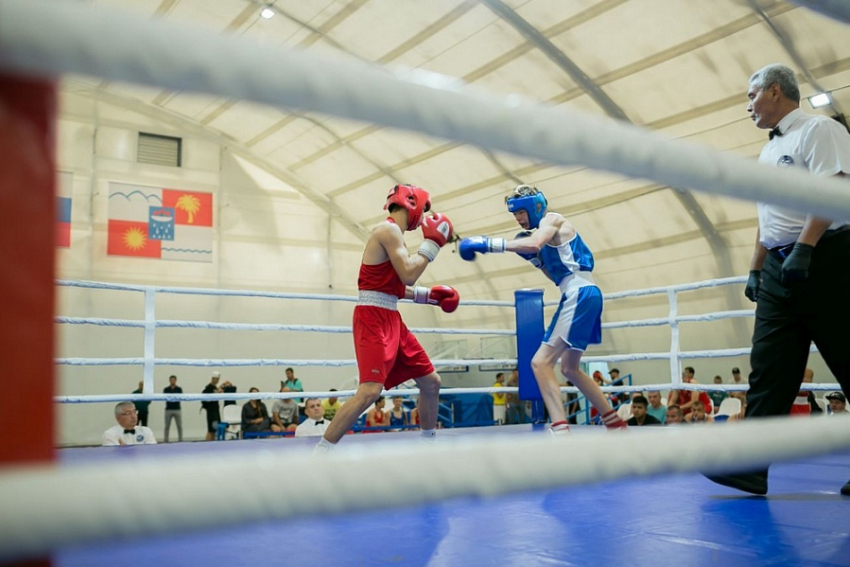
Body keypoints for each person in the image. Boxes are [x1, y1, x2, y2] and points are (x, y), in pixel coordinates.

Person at [705, 63, 850, 497]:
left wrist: (805, 248)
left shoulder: (819, 130)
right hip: (779, 269)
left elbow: (837, 186)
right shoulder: (769, 151)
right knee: (768, 369)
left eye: (751, 96)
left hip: (828, 260)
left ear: (773, 91)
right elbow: (770, 218)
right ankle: (750, 465)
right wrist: (755, 265)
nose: (747, 106)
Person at [459, 185, 627, 434]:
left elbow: (535, 243)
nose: (518, 218)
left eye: (521, 212)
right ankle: (615, 423)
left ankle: (560, 429)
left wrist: (489, 243)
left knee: (539, 363)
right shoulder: (547, 237)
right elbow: (555, 275)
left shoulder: (552, 219)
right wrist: (538, 263)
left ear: (536, 206)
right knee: (569, 368)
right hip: (580, 292)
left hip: (579, 293)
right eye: (515, 214)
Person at [313, 184, 457, 453]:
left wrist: (429, 296)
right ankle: (321, 452)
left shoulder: (395, 235)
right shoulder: (388, 230)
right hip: (373, 317)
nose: (423, 219)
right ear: (412, 204)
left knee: (431, 382)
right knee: (370, 391)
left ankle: (428, 445)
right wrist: (431, 245)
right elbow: (409, 274)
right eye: (423, 211)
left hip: (390, 316)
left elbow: (393, 287)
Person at [201, 371, 222, 441]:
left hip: (215, 411)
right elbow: (205, 397)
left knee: (214, 430)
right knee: (211, 430)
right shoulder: (209, 388)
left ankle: (211, 444)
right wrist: (216, 393)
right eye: (217, 379)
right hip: (211, 412)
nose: (218, 380)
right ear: (213, 379)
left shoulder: (214, 388)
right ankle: (208, 445)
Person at [163, 374, 183, 443]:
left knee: (179, 425)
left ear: (176, 380)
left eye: (173, 380)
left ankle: (180, 440)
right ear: (169, 381)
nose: (172, 381)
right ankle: (166, 440)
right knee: (167, 426)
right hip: (168, 409)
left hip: (177, 409)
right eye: (171, 380)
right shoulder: (166, 389)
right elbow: (165, 398)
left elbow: (180, 398)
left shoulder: (179, 389)